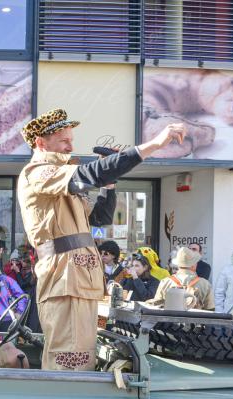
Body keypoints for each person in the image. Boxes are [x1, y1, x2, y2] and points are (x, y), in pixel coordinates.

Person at [17, 107, 185, 371]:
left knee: (82, 352)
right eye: (63, 140)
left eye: (71, 140)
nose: (70, 146)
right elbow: (88, 175)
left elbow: (99, 218)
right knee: (68, 356)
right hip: (64, 278)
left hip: (78, 278)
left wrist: (110, 183)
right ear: (40, 142)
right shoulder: (37, 172)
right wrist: (153, 145)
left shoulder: (61, 178)